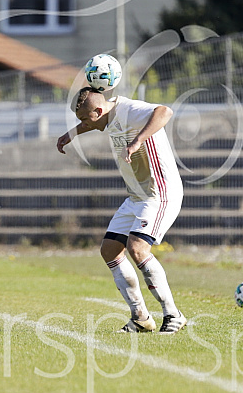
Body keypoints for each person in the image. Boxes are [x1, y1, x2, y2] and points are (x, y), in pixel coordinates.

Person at [57, 87, 186, 333]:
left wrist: (138, 141)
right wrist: (71, 133)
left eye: (84, 119)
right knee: (110, 250)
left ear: (97, 110)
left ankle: (173, 314)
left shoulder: (129, 110)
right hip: (137, 196)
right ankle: (141, 318)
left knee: (137, 248)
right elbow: (94, 122)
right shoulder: (106, 114)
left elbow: (164, 111)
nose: (83, 124)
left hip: (160, 192)